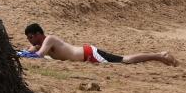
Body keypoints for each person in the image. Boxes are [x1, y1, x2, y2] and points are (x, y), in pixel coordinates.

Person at [21, 24, 176, 66]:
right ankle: (158, 56)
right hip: (86, 55)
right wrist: (24, 52)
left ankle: (159, 55)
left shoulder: (49, 40)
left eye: (31, 37)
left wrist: (27, 54)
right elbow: (30, 51)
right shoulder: (40, 44)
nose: (30, 41)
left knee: (125, 60)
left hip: (89, 54)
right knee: (124, 60)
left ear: (38, 34)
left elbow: (39, 55)